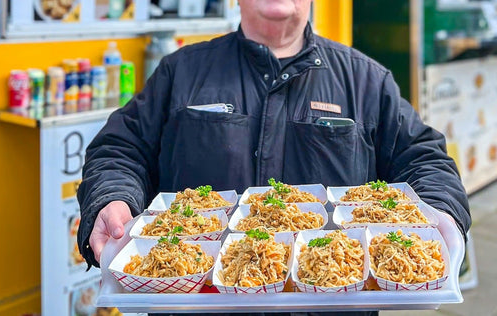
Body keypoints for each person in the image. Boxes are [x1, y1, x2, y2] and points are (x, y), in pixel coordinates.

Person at [77, 0, 471, 314]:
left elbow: (425, 159)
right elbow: (119, 149)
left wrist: (440, 210)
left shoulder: (366, 80)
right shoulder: (181, 72)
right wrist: (111, 198)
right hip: (197, 305)